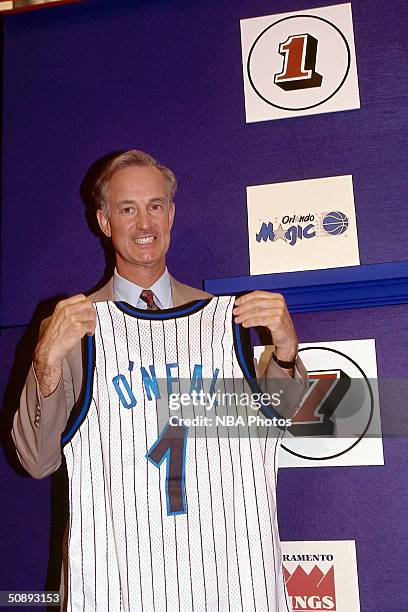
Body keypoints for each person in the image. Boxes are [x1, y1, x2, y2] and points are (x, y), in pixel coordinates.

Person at [12, 150, 308, 611]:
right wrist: (47, 358)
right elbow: (35, 460)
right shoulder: (76, 327)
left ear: (171, 215)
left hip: (227, 583)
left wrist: (287, 354)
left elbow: (278, 425)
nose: (143, 222)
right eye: (127, 209)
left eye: (155, 206)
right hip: (118, 586)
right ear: (104, 221)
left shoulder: (225, 320)